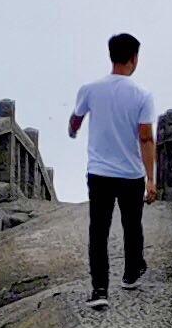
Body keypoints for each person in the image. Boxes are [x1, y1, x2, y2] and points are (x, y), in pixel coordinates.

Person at [66, 33, 157, 309]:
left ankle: (100, 289)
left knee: (99, 230)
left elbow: (76, 119)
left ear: (111, 56)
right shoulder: (142, 95)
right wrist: (151, 179)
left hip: (99, 172)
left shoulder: (90, 90)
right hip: (131, 174)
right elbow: (145, 138)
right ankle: (130, 273)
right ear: (134, 59)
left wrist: (72, 130)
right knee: (132, 225)